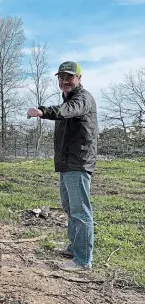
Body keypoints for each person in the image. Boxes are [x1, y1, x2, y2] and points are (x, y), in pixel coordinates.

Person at [27, 61, 98, 272]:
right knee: (70, 208)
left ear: (79, 79)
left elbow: (67, 110)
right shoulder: (68, 99)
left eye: (69, 77)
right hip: (67, 163)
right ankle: (74, 248)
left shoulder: (82, 99)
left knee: (80, 211)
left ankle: (82, 261)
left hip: (78, 162)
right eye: (61, 78)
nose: (65, 81)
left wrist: (42, 111)